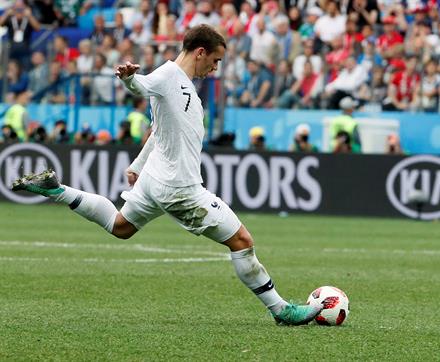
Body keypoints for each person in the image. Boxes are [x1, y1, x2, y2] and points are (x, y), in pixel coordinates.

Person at [11, 24, 321, 326]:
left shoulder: (182, 84)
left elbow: (158, 131)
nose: (215, 69)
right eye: (215, 61)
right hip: (179, 188)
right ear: (200, 52)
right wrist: (129, 78)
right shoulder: (169, 75)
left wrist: (137, 165)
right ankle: (281, 310)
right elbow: (142, 85)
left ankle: (57, 190)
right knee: (241, 240)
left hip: (154, 179)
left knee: (121, 226)